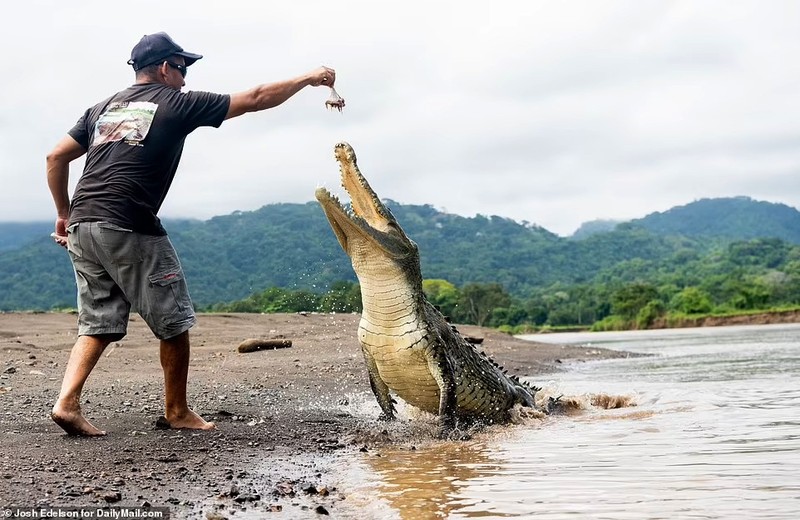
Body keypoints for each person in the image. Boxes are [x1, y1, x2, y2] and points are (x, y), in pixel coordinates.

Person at [46, 32, 337, 436]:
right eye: (181, 69)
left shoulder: (101, 109)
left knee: (97, 322)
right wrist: (308, 78)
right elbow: (254, 98)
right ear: (165, 68)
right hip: (129, 224)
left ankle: (67, 403)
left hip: (84, 222)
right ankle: (177, 411)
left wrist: (64, 212)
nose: (184, 79)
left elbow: (56, 156)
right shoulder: (176, 102)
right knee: (174, 322)